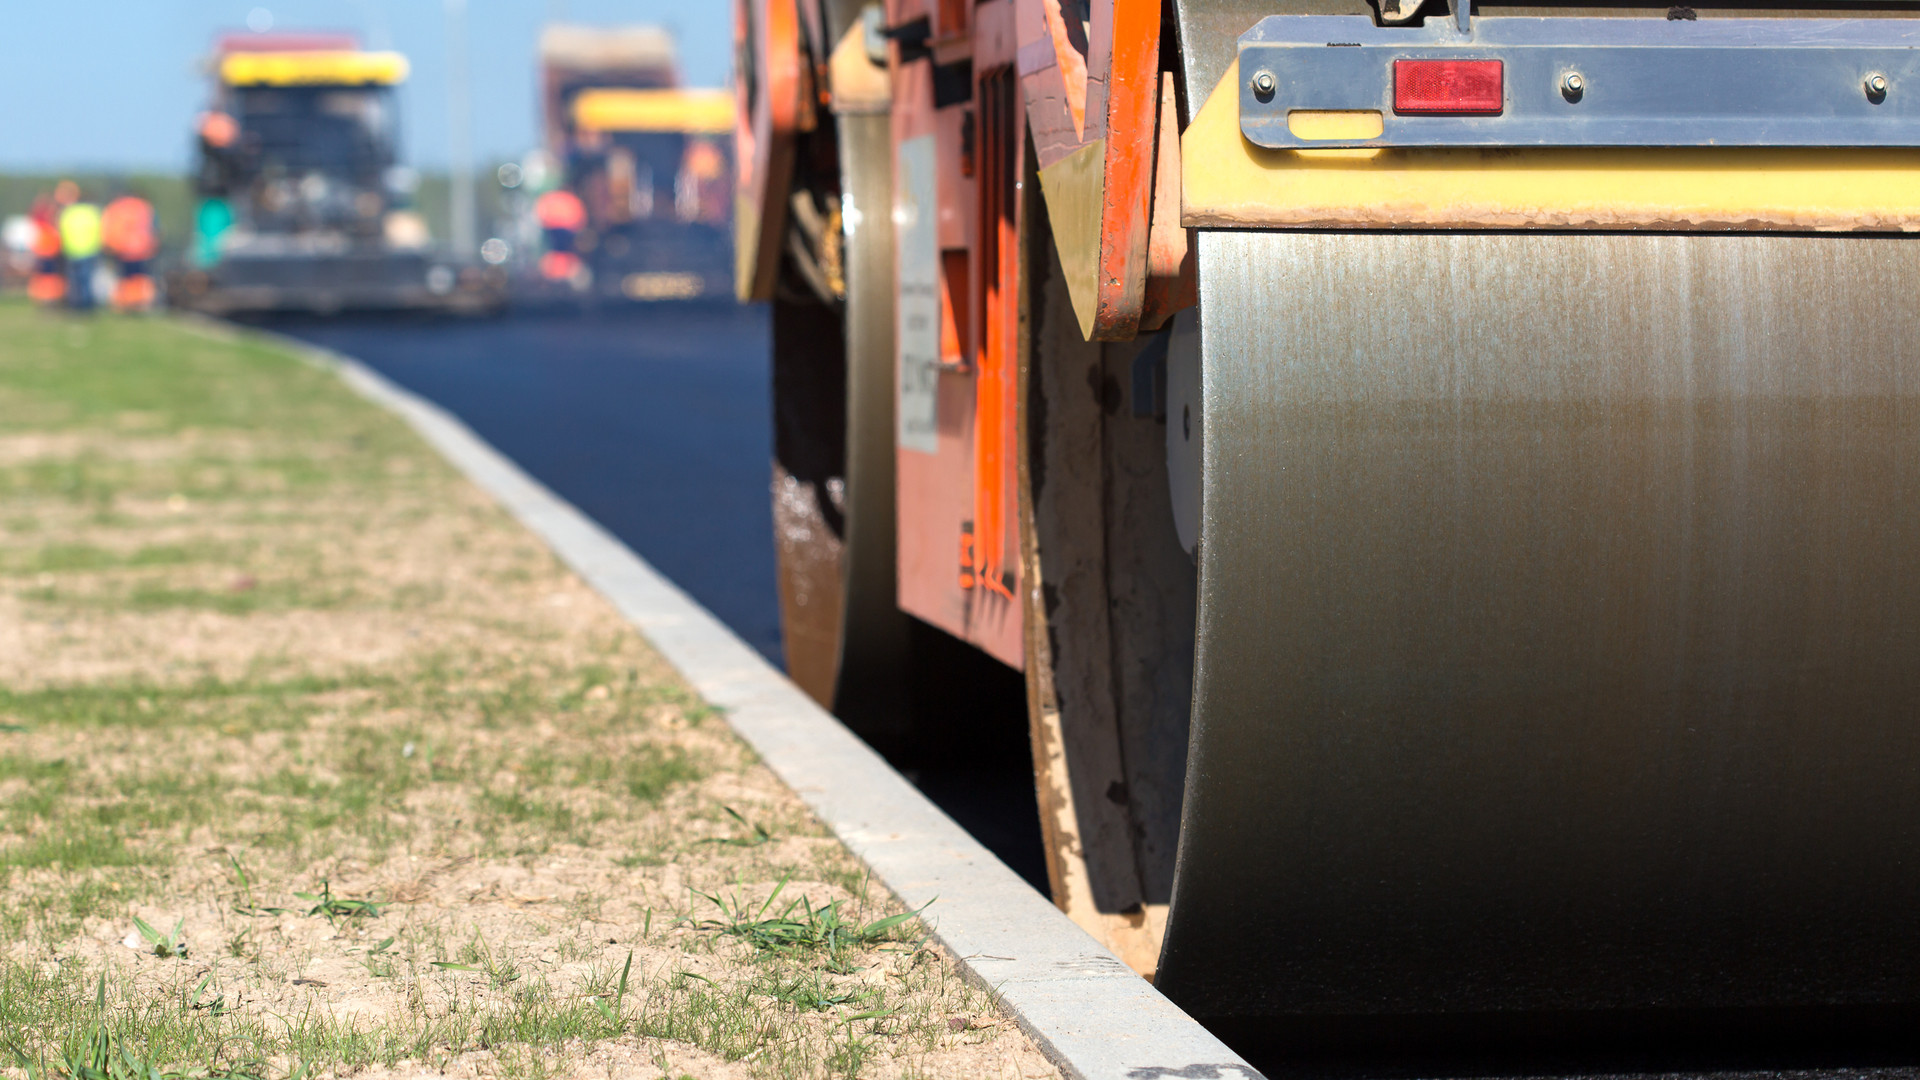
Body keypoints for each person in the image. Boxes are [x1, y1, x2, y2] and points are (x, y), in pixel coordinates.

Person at [102, 191, 159, 311]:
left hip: (121, 248)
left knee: (123, 277)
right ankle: (140, 303)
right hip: (142, 248)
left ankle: (123, 303)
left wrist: (109, 245)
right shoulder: (144, 206)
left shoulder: (116, 206)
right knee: (141, 277)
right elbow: (154, 228)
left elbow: (108, 227)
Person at [56, 186, 105, 311]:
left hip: (71, 250)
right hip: (89, 250)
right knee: (86, 280)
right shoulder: (93, 212)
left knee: (74, 281)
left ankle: (75, 305)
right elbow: (101, 231)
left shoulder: (68, 212)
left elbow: (60, 230)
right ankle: (86, 305)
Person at [26, 194, 65, 306]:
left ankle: (50, 298)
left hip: (50, 253)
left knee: (50, 278)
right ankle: (46, 299)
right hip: (45, 253)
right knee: (46, 278)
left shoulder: (47, 225)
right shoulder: (43, 226)